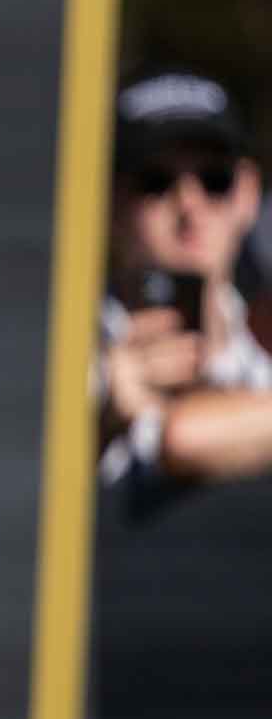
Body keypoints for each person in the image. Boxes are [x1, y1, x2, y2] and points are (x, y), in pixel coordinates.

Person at [99, 69, 272, 518]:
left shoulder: (263, 373)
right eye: (156, 182)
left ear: (249, 194)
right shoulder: (53, 366)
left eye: (215, 180)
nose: (189, 205)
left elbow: (185, 437)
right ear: (110, 202)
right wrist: (95, 420)